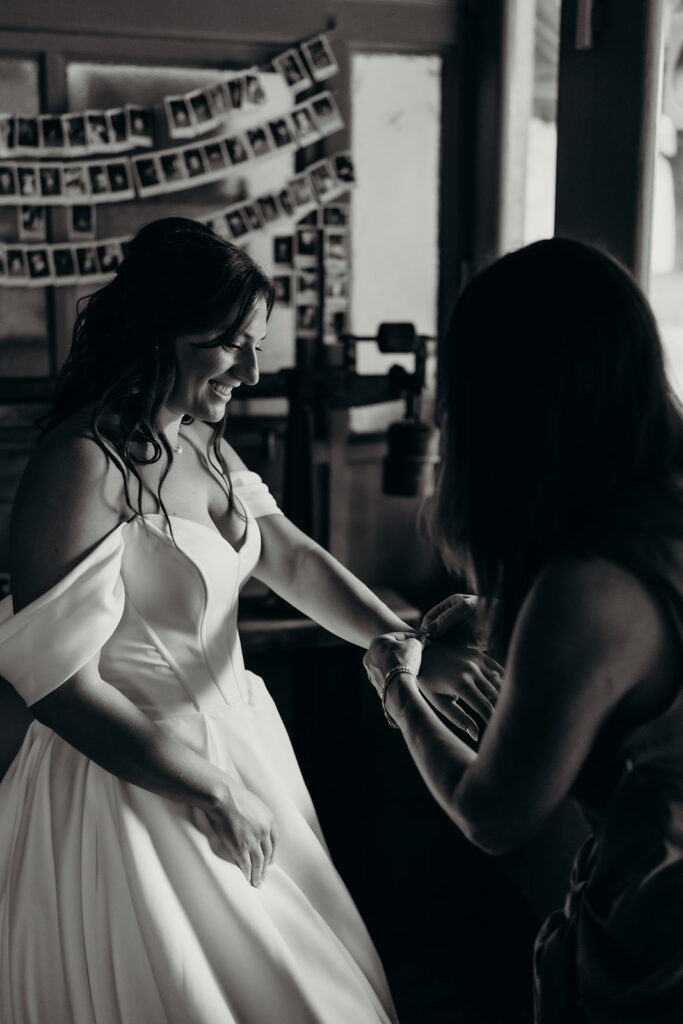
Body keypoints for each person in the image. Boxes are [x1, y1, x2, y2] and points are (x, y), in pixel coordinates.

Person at [0, 217, 496, 1024]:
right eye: (229, 343)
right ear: (156, 331)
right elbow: (54, 685)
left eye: (255, 344)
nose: (252, 369)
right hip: (134, 775)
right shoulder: (77, 464)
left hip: (243, 746)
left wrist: (405, 649)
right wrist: (211, 788)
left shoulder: (203, 446)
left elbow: (293, 560)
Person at [363, 237, 683, 1023]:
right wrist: (505, 618)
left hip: (660, 927)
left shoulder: (586, 592)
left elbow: (494, 816)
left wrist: (397, 688)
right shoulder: (659, 499)